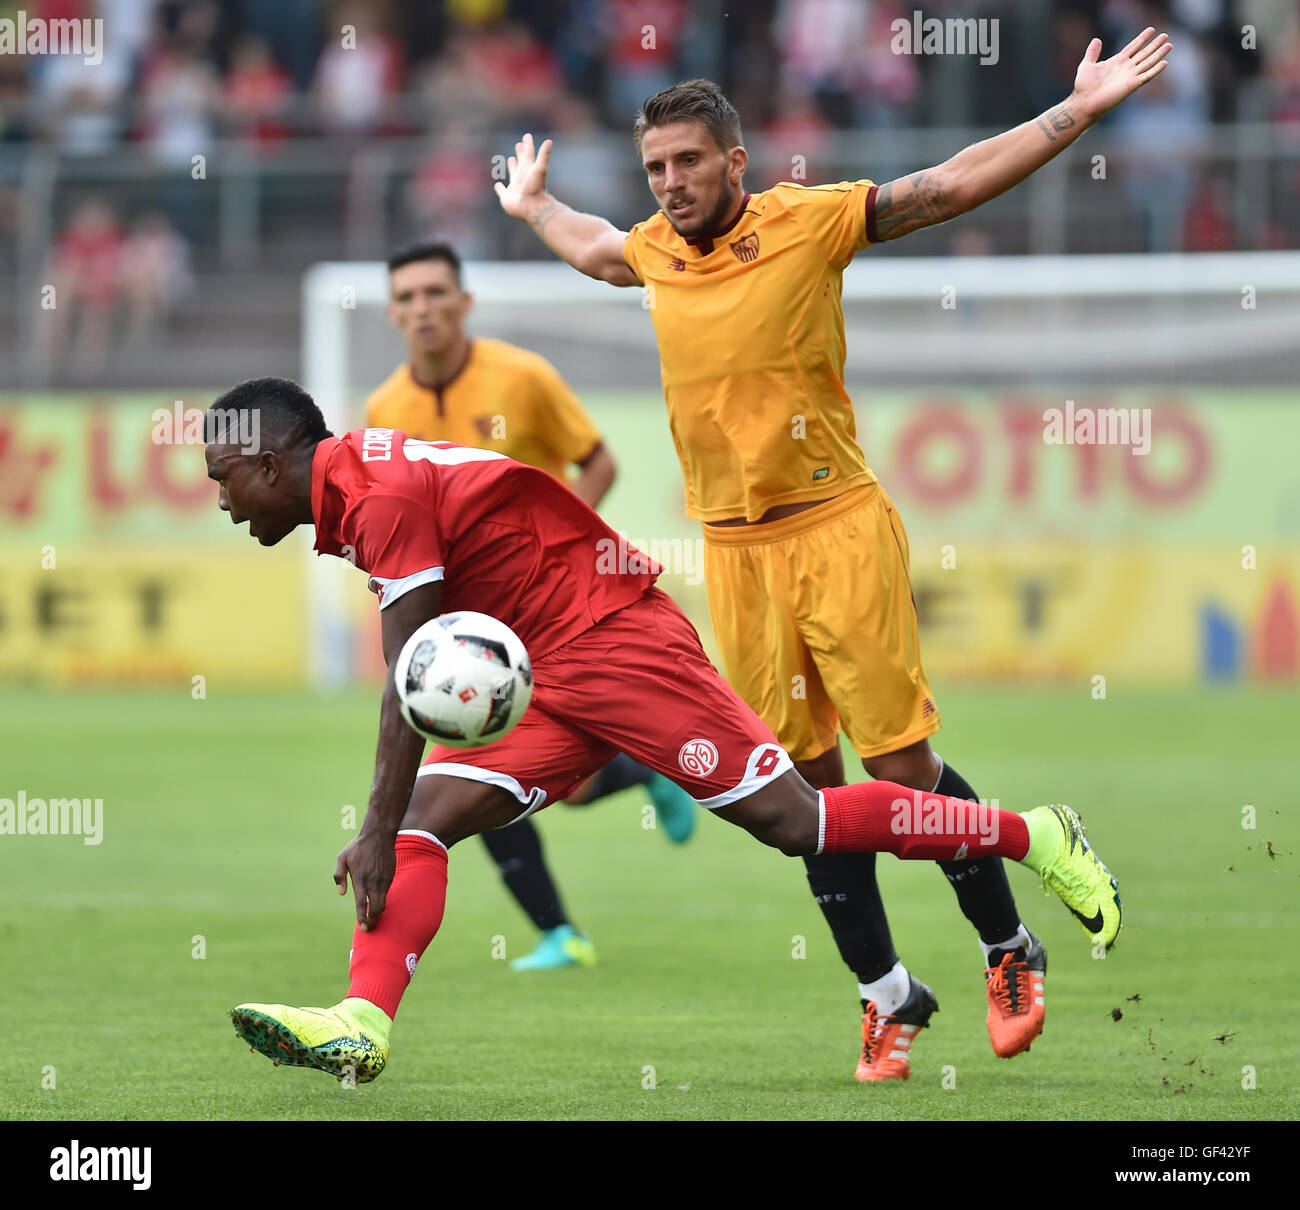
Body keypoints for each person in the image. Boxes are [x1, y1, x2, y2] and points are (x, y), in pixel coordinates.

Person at [495, 27, 1169, 1078]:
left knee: (895, 765)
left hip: (833, 526)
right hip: (733, 552)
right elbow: (593, 247)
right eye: (655, 169)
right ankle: (885, 995)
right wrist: (533, 204)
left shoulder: (809, 223)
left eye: (686, 162)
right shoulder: (654, 250)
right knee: (800, 798)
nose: (669, 185)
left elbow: (942, 187)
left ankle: (1007, 942)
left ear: (735, 160)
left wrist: (1074, 111)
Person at [209, 379, 1120, 1084]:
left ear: (275, 459)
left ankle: (1035, 835)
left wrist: (367, 830)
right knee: (421, 820)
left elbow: (405, 686)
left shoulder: (379, 495)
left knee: (796, 822)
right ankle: (362, 1025)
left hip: (613, 641)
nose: (221, 500)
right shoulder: (354, 486)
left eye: (224, 478)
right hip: (540, 670)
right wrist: (382, 826)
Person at [365, 239, 697, 972]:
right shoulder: (386, 408)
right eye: (408, 298)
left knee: (509, 771)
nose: (423, 309)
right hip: (462, 624)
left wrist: (550, 548)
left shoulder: (522, 377)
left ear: (464, 302)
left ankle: (656, 776)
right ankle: (567, 918)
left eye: (435, 294)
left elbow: (598, 459)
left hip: (546, 607)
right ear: (392, 313)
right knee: (472, 764)